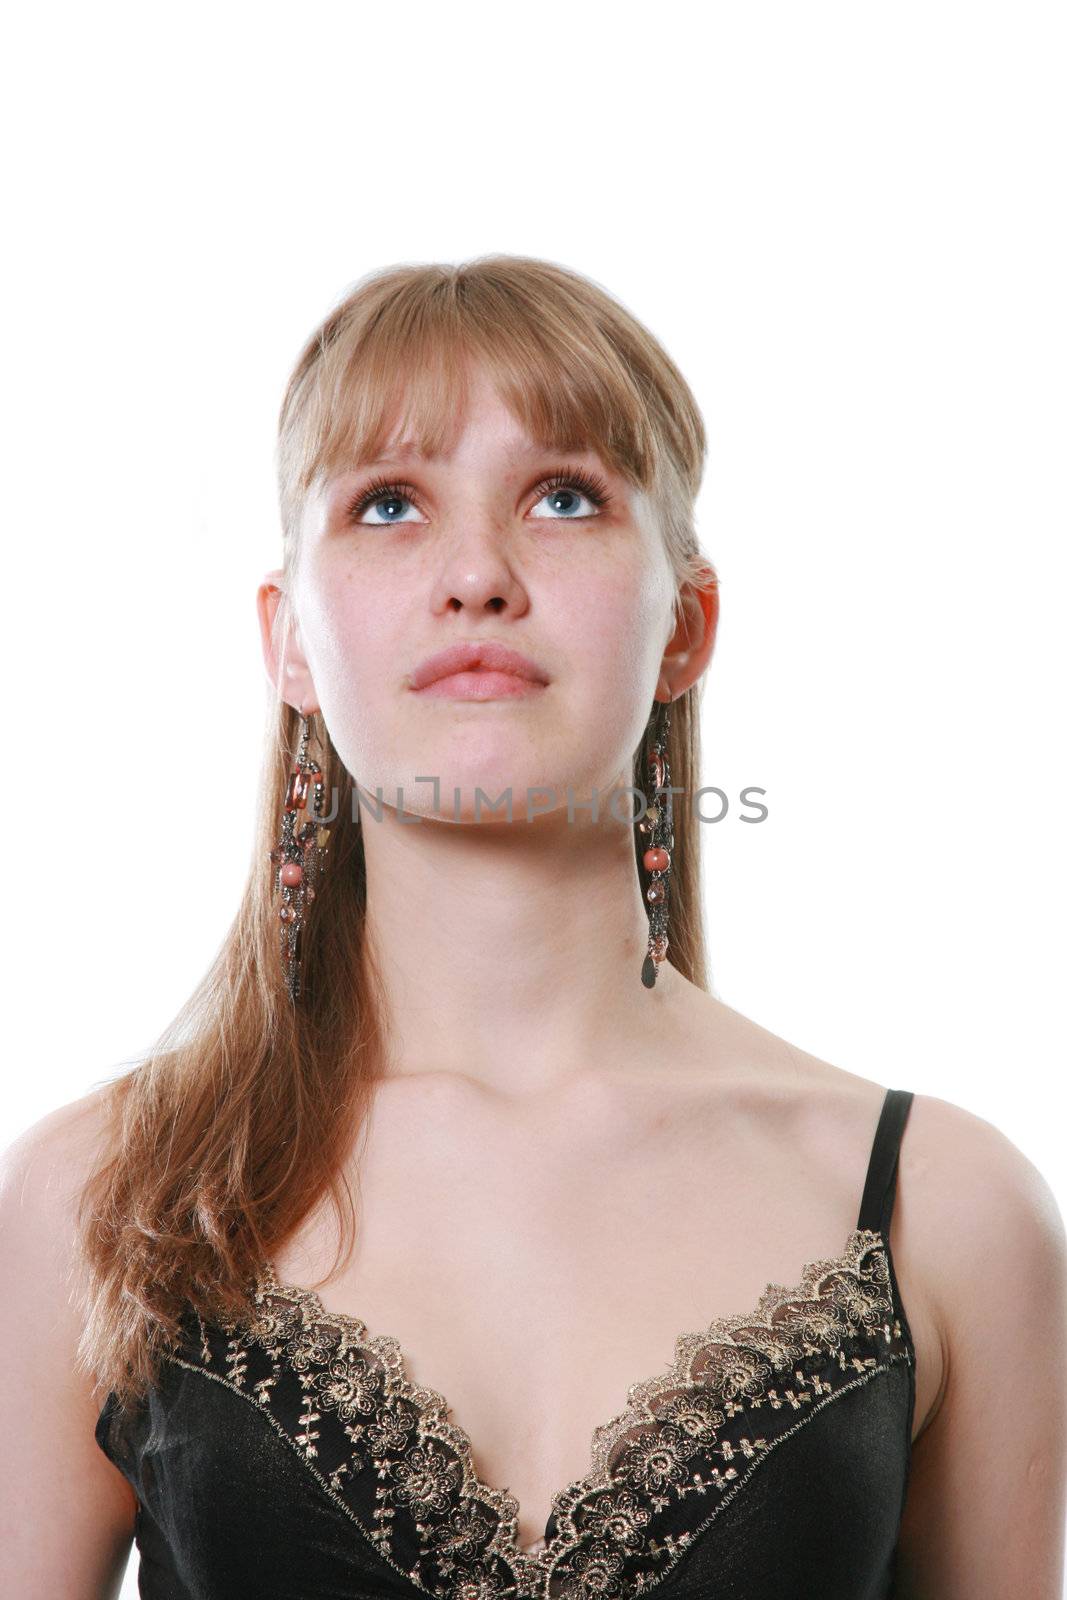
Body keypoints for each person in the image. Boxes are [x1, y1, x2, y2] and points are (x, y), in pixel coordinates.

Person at [2, 254, 1064, 1599]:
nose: (476, 574)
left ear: (690, 622)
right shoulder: (107, 1203)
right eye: (388, 504)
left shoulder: (945, 1212)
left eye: (564, 498)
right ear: (287, 643)